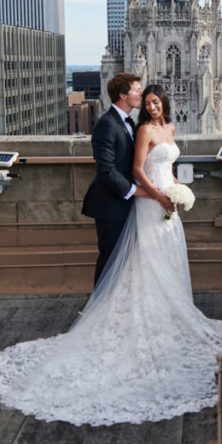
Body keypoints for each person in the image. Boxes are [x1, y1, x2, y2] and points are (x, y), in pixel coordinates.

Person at [0, 84, 222, 426]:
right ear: (124, 95)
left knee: (150, 261)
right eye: (141, 94)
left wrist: (176, 190)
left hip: (155, 203)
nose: (146, 100)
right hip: (132, 202)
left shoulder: (148, 125)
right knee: (119, 262)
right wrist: (153, 195)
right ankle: (103, 317)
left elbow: (163, 165)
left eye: (153, 98)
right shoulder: (116, 125)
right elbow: (117, 169)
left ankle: (147, 315)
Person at [81, 72, 144, 286]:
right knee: (110, 259)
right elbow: (106, 169)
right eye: (136, 89)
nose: (140, 93)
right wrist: (134, 191)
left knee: (124, 260)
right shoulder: (106, 124)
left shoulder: (129, 123)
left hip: (124, 204)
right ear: (123, 95)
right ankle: (99, 312)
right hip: (110, 205)